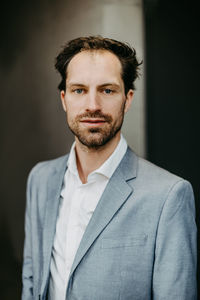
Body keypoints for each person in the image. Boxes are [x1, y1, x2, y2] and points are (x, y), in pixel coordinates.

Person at [22, 36, 197, 300]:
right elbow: (32, 277)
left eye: (107, 90)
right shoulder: (40, 179)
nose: (93, 105)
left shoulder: (169, 196)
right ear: (64, 99)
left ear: (127, 99)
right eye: (79, 90)